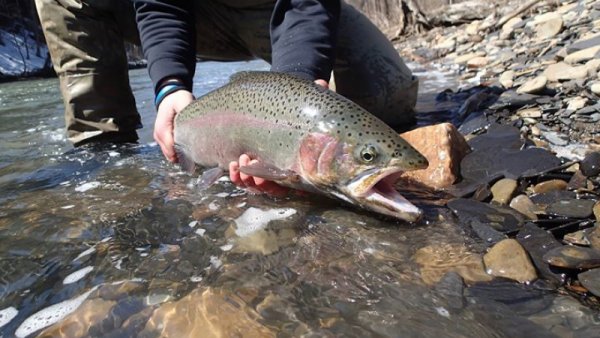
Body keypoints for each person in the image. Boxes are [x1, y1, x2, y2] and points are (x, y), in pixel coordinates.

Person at [35, 0, 419, 194]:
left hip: (268, 9)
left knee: (390, 93)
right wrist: (170, 84)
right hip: (155, 9)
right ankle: (103, 161)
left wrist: (298, 78)